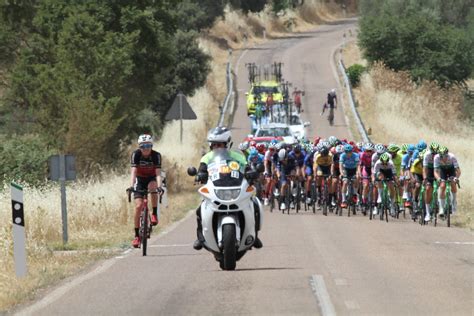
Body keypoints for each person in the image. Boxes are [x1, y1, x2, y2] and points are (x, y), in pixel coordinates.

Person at [193, 126, 263, 250]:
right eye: (214, 145)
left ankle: (254, 235)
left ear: (227, 144)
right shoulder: (207, 158)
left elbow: (247, 168)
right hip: (215, 189)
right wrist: (199, 175)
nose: (217, 147)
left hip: (235, 187)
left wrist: (251, 172)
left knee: (255, 204)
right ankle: (200, 237)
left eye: (220, 144)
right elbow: (201, 170)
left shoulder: (238, 156)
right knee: (200, 209)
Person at [129, 134, 163, 248]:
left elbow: (158, 174)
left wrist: (160, 187)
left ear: (151, 146)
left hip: (152, 178)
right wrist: (131, 186)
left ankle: (154, 213)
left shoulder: (156, 155)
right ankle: (137, 236)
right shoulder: (136, 155)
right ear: (139, 147)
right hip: (140, 179)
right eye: (143, 146)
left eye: (148, 146)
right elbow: (133, 172)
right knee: (138, 207)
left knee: (153, 188)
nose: (146, 149)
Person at [434, 146, 461, 217]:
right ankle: (441, 208)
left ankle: (454, 201)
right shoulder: (436, 157)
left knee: (453, 183)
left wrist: (456, 178)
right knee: (442, 186)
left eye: (445, 156)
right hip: (442, 170)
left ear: (447, 154)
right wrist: (438, 178)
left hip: (451, 169)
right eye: (441, 156)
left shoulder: (452, 157)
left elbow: (458, 170)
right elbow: (436, 171)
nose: (443, 158)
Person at [339, 144, 360, 208]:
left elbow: (358, 165)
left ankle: (355, 193)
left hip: (353, 169)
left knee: (357, 179)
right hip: (346, 170)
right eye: (346, 152)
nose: (348, 153)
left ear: (352, 151)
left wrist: (357, 173)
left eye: (350, 152)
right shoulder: (342, 155)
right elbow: (341, 166)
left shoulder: (355, 155)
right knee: (345, 182)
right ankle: (343, 200)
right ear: (344, 151)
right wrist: (341, 173)